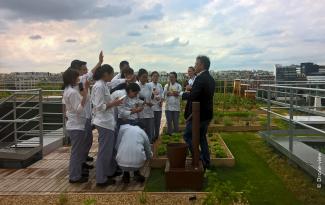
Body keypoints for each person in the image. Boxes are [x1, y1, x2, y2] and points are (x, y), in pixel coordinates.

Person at [68, 51, 104, 169]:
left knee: (86, 140)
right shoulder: (78, 83)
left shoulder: (77, 82)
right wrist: (99, 62)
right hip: (80, 119)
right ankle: (79, 165)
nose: (86, 71)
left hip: (84, 117)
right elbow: (79, 104)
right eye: (84, 69)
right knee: (82, 143)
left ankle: (82, 160)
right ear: (76, 70)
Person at [91, 64, 124, 186]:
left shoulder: (103, 84)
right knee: (104, 152)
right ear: (106, 74)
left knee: (107, 150)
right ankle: (101, 179)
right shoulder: (99, 86)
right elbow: (99, 106)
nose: (112, 76)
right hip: (104, 123)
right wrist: (113, 103)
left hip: (107, 122)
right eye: (111, 74)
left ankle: (107, 172)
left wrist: (114, 103)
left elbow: (105, 101)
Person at [182, 55, 215, 170]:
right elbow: (202, 94)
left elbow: (194, 96)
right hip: (207, 114)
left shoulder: (200, 78)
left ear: (201, 65)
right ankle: (206, 161)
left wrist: (182, 94)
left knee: (187, 135)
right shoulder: (210, 78)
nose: (195, 65)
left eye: (196, 64)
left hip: (198, 115)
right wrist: (192, 90)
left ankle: (199, 157)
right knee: (201, 137)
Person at [62, 68, 89, 183]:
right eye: (77, 77)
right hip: (76, 125)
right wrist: (84, 96)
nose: (79, 79)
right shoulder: (72, 92)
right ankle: (74, 176)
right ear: (72, 78)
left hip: (74, 125)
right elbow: (78, 110)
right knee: (76, 153)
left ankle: (76, 174)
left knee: (76, 152)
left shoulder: (68, 90)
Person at [137, 68, 155, 143]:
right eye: (144, 77)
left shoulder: (149, 86)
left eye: (146, 77)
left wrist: (153, 100)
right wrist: (146, 103)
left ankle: (150, 149)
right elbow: (136, 99)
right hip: (141, 113)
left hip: (150, 112)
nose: (145, 78)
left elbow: (151, 97)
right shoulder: (136, 86)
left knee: (150, 132)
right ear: (139, 77)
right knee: (142, 133)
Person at [148, 71, 163, 141]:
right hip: (152, 108)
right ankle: (152, 137)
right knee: (152, 124)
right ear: (151, 77)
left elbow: (162, 95)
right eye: (154, 76)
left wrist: (161, 102)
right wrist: (153, 95)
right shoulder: (149, 85)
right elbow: (148, 97)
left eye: (157, 76)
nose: (156, 77)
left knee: (158, 123)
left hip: (158, 108)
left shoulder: (160, 85)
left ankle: (157, 136)